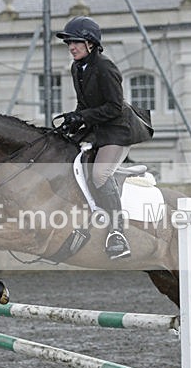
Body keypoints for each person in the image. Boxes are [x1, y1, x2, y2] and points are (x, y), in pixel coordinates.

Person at [56, 16, 153, 260]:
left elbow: (114, 108)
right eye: (69, 43)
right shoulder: (77, 67)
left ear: (90, 44)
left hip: (118, 129)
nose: (72, 47)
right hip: (98, 127)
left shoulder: (105, 68)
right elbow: (84, 103)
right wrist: (73, 119)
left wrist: (83, 117)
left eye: (76, 42)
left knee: (99, 174)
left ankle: (117, 232)